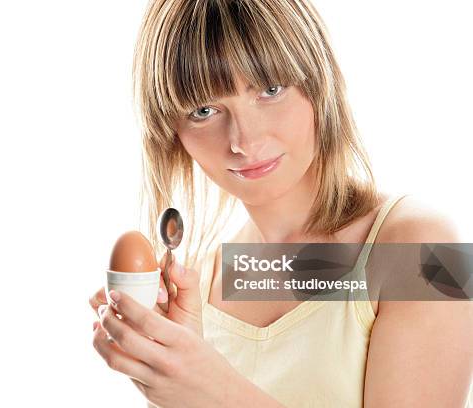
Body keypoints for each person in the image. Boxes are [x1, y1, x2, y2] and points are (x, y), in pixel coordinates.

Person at [89, 0, 473, 406]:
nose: (245, 141)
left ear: (319, 79)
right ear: (172, 132)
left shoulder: (425, 249)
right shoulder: (194, 287)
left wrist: (213, 391)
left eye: (270, 90)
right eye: (204, 111)